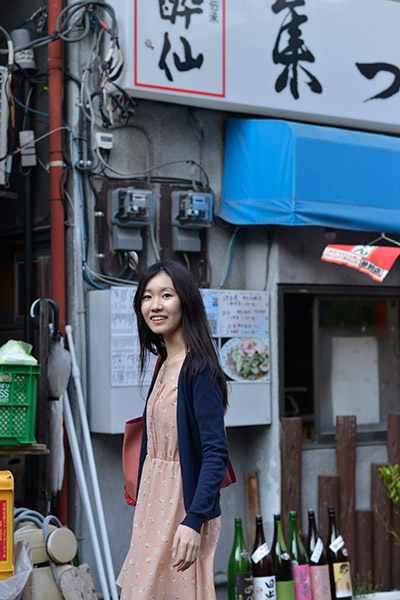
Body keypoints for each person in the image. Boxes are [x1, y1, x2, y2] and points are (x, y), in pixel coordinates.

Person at [117, 260, 229, 600]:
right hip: (152, 502)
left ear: (186, 301)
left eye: (166, 295)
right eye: (147, 297)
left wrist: (194, 520)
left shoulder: (200, 368)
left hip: (183, 505)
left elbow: (216, 452)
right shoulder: (164, 363)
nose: (155, 305)